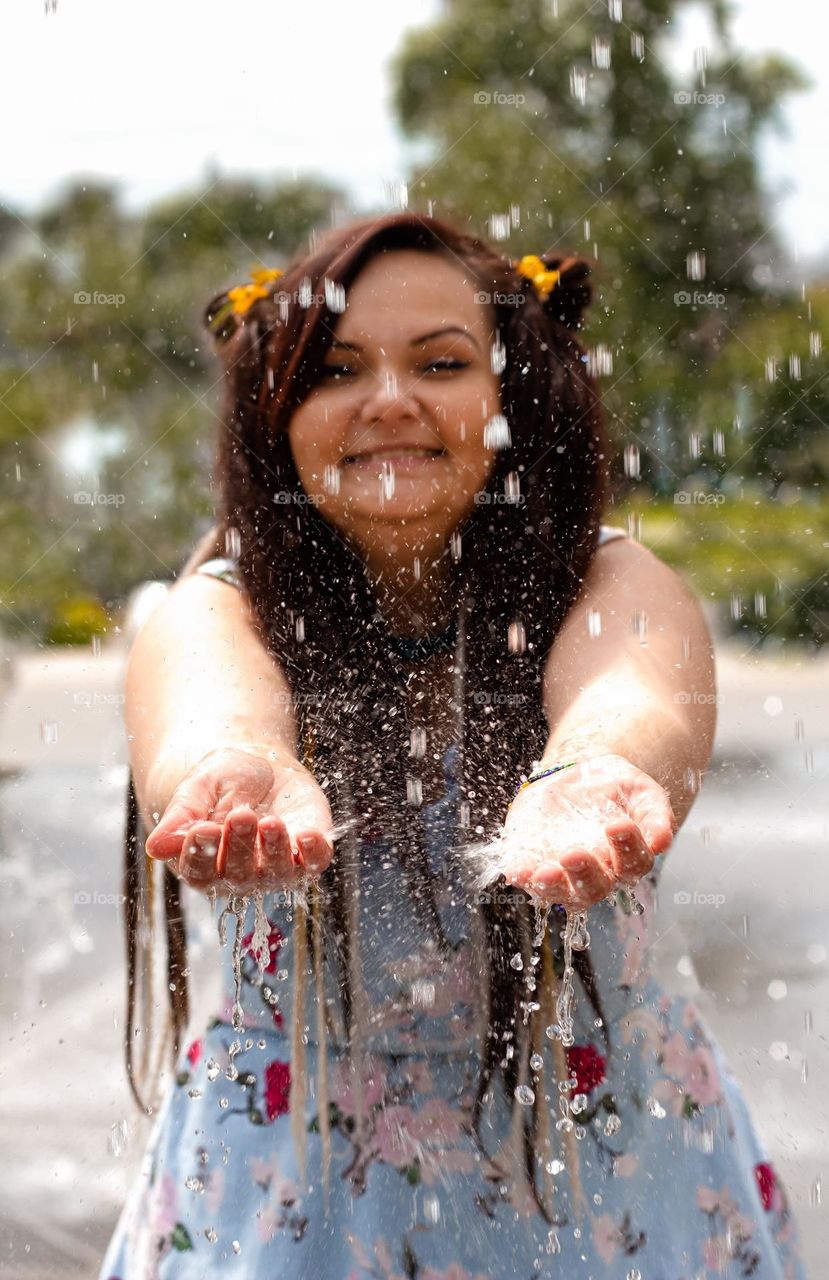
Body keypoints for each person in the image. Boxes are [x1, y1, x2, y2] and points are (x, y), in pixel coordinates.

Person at [98, 212, 807, 1278]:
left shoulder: (608, 581)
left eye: (441, 361)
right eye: (335, 370)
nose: (390, 399)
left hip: (593, 1170)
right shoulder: (222, 606)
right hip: (300, 1187)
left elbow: (636, 694)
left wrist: (594, 771)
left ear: (513, 399)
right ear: (277, 417)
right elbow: (209, 710)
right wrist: (228, 769)